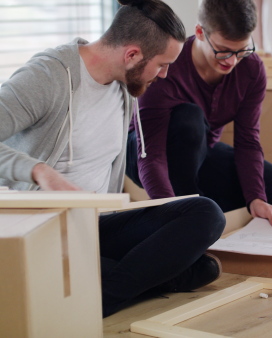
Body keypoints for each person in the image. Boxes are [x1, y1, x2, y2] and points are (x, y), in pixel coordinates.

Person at [0, 0, 226, 317]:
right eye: (162, 64)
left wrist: (158, 209)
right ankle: (107, 297)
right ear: (132, 54)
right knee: (182, 266)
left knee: (207, 214)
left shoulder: (124, 86)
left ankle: (103, 288)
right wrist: (40, 171)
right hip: (44, 231)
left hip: (95, 225)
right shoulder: (48, 77)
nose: (164, 75)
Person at [126, 0, 272, 226]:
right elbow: (150, 155)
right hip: (147, 153)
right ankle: (195, 209)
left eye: (241, 50)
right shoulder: (166, 68)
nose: (232, 61)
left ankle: (206, 206)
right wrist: (170, 209)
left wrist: (256, 198)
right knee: (189, 119)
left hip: (202, 152)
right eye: (223, 51)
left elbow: (247, 141)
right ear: (200, 32)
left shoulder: (251, 70)